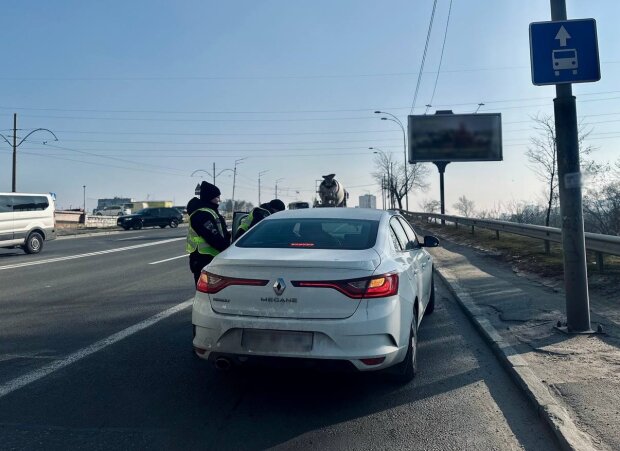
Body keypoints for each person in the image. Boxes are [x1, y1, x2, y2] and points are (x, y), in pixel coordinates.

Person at [186, 181, 231, 285]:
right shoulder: (202, 214)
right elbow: (212, 236)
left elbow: (219, 232)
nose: (219, 200)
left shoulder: (210, 212)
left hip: (211, 259)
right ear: (209, 197)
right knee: (206, 296)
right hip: (203, 260)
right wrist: (227, 248)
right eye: (217, 197)